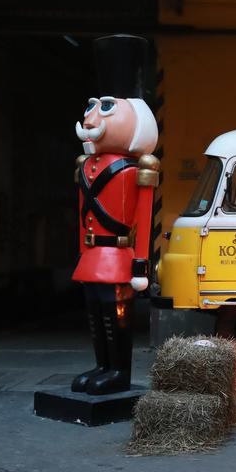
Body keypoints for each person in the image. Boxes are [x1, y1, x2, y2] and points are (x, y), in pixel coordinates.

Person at [71, 35, 159, 395]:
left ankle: (119, 371)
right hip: (93, 256)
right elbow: (81, 215)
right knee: (95, 314)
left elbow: (145, 217)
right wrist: (81, 251)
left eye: (105, 107)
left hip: (118, 256)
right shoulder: (85, 166)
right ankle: (101, 365)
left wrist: (141, 266)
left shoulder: (135, 168)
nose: (91, 116)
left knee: (115, 316)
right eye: (92, 105)